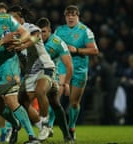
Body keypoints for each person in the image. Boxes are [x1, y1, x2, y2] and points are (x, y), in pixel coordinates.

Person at [0, 1, 40, 144]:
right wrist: (2, 42)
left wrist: (18, 43)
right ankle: (16, 124)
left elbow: (26, 34)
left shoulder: (7, 20)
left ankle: (32, 137)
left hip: (10, 63)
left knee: (11, 99)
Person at [7, 5, 55, 141]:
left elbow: (36, 37)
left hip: (45, 68)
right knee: (21, 100)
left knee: (40, 91)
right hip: (30, 74)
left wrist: (23, 44)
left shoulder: (30, 27)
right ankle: (42, 126)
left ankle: (46, 124)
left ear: (21, 18)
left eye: (13, 18)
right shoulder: (12, 34)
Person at [54, 5, 99, 140]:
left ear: (78, 16)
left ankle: (71, 127)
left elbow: (95, 50)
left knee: (74, 102)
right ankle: (48, 126)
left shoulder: (85, 31)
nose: (70, 17)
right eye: (68, 15)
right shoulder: (59, 31)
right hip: (62, 69)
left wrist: (77, 50)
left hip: (79, 70)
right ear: (65, 17)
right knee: (55, 98)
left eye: (73, 14)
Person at [36, 17, 73, 142]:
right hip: (34, 75)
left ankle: (64, 133)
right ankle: (41, 129)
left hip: (52, 76)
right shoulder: (33, 39)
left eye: (44, 31)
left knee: (55, 103)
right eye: (39, 32)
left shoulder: (58, 43)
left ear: (50, 31)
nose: (41, 35)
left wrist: (66, 83)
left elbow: (69, 65)